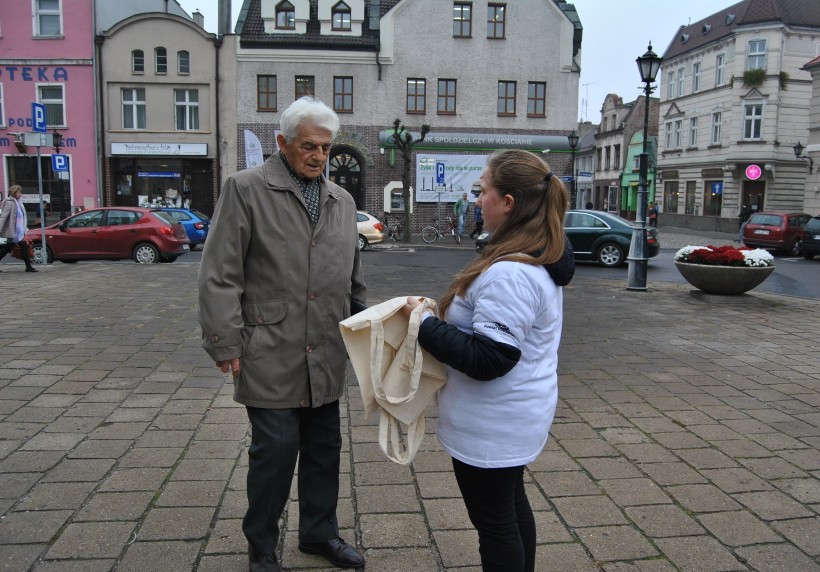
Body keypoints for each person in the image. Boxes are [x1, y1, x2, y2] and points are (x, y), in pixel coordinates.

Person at [197, 97, 367, 572]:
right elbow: (220, 273)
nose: (318, 155)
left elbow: (353, 278)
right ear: (282, 143)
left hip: (327, 351)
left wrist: (371, 328)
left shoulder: (343, 200)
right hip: (269, 348)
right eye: (308, 145)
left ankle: (319, 533)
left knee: (324, 449)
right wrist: (224, 342)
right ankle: (261, 546)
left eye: (326, 147)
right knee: (274, 451)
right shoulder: (245, 189)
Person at [403, 149, 574, 571]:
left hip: (494, 423)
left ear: (509, 202)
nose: (478, 200)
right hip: (513, 416)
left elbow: (490, 358)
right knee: (510, 508)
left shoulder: (511, 273)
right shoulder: (532, 256)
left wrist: (420, 322)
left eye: (483, 191)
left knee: (495, 523)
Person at [0, 185, 38, 272]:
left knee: (9, 248)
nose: (20, 194)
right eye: (18, 193)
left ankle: (28, 267)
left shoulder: (18, 203)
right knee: (22, 246)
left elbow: (21, 217)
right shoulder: (9, 203)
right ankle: (28, 267)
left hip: (19, 230)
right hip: (13, 230)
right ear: (13, 193)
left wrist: (25, 228)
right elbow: (3, 217)